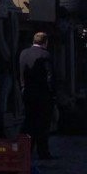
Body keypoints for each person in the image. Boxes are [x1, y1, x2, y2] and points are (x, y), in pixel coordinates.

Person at [19, 31, 56, 160]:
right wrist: (53, 94)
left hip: (27, 93)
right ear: (45, 42)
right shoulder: (45, 55)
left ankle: (26, 151)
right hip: (42, 95)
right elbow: (49, 77)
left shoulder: (23, 53)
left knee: (29, 122)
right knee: (43, 125)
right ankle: (43, 153)